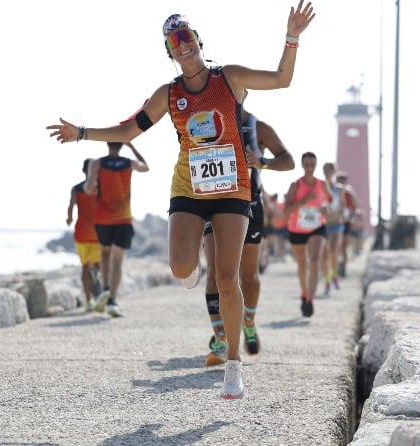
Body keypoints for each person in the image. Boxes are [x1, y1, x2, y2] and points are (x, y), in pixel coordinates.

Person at [46, 2, 316, 400]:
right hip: (189, 186)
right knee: (181, 267)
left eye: (186, 37)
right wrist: (83, 133)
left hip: (231, 189)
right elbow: (128, 130)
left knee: (227, 278)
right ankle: (192, 270)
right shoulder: (169, 94)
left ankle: (234, 365)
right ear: (169, 53)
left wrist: (292, 37)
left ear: (198, 42)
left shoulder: (230, 79)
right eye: (174, 42)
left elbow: (281, 79)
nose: (182, 45)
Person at [202, 111, 294, 367]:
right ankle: (221, 339)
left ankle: (249, 321)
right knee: (215, 274)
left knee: (249, 276)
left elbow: (288, 161)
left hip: (249, 206)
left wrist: (261, 161)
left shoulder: (257, 127)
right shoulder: (204, 121)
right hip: (212, 203)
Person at [87, 142, 149, 318]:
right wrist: (132, 147)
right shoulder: (129, 163)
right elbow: (146, 167)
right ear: (122, 145)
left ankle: (105, 288)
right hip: (123, 218)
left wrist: (96, 188)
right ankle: (112, 299)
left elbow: (89, 188)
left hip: (103, 218)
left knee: (105, 254)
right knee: (117, 261)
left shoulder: (96, 163)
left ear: (107, 144)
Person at [283, 152, 331, 318]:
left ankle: (310, 300)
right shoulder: (295, 185)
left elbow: (330, 202)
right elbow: (286, 211)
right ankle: (304, 293)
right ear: (302, 165)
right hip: (297, 229)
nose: (310, 168)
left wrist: (326, 208)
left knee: (315, 260)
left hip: (317, 226)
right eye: (307, 164)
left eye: (312, 164)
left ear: (316, 166)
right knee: (302, 265)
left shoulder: (322, 184)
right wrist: (303, 201)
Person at [66, 159, 102, 311]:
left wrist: (69, 218)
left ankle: (89, 301)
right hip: (97, 234)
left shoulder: (77, 189)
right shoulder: (100, 188)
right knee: (96, 266)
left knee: (85, 267)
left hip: (82, 233)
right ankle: (93, 293)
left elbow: (70, 206)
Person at [319, 162, 346, 294]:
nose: (328, 172)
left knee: (334, 250)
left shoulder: (339, 189)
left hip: (336, 224)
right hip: (323, 224)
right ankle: (328, 280)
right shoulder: (320, 186)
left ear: (334, 172)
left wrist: (340, 213)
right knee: (325, 255)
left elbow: (343, 205)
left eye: (330, 170)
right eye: (326, 170)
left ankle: (335, 275)